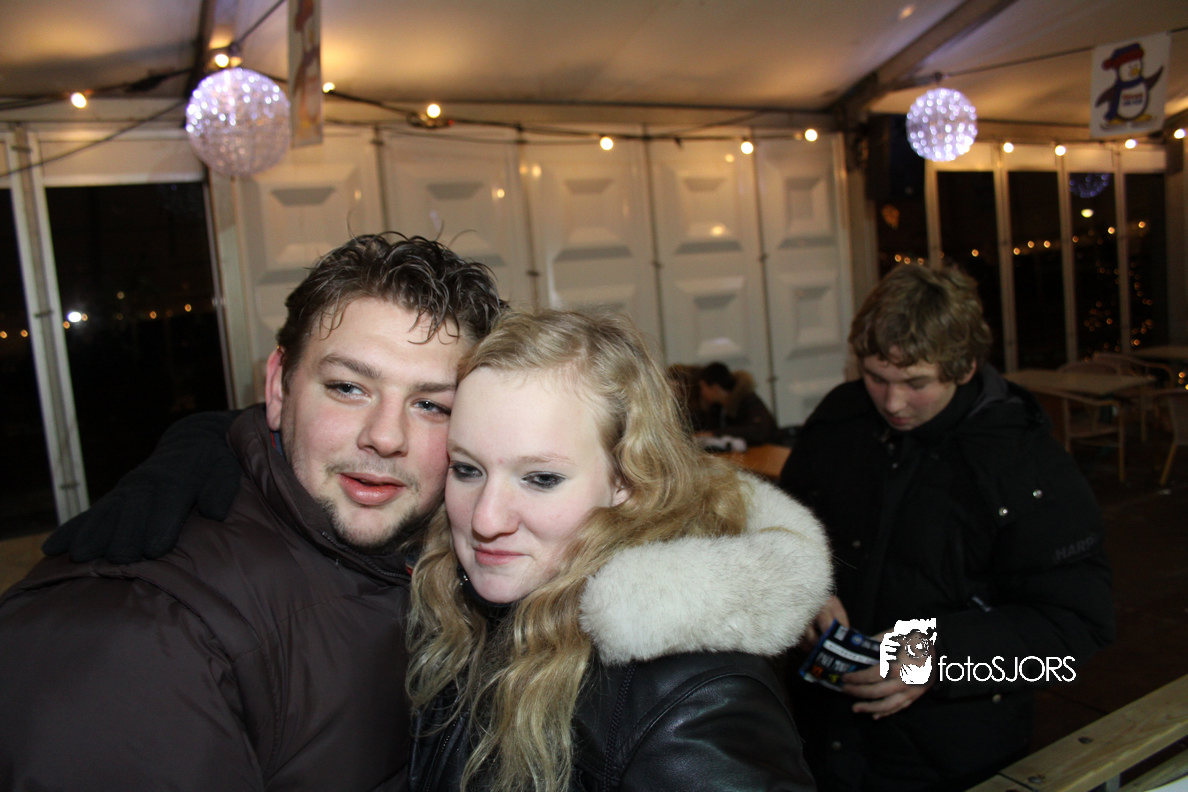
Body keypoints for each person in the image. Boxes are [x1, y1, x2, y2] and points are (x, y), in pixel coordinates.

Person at [0, 233, 504, 791]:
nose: (385, 437)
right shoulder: (137, 635)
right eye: (347, 388)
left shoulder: (473, 545)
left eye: (431, 404)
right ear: (279, 388)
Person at [406, 309, 832, 792]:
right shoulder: (453, 605)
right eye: (466, 469)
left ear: (627, 482)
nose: (485, 520)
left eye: (541, 478)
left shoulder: (693, 694)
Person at [779, 264, 1115, 792]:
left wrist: (936, 658)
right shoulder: (840, 418)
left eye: (916, 383)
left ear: (963, 368)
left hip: (949, 757)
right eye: (876, 377)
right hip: (816, 737)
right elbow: (784, 528)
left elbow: (1076, 631)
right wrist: (805, 589)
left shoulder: (1024, 465)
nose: (893, 403)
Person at [694, 361, 779, 446]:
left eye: (702, 388)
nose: (701, 393)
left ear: (715, 388)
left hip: (768, 449)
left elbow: (758, 432)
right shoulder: (717, 407)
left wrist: (714, 433)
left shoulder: (748, 400)